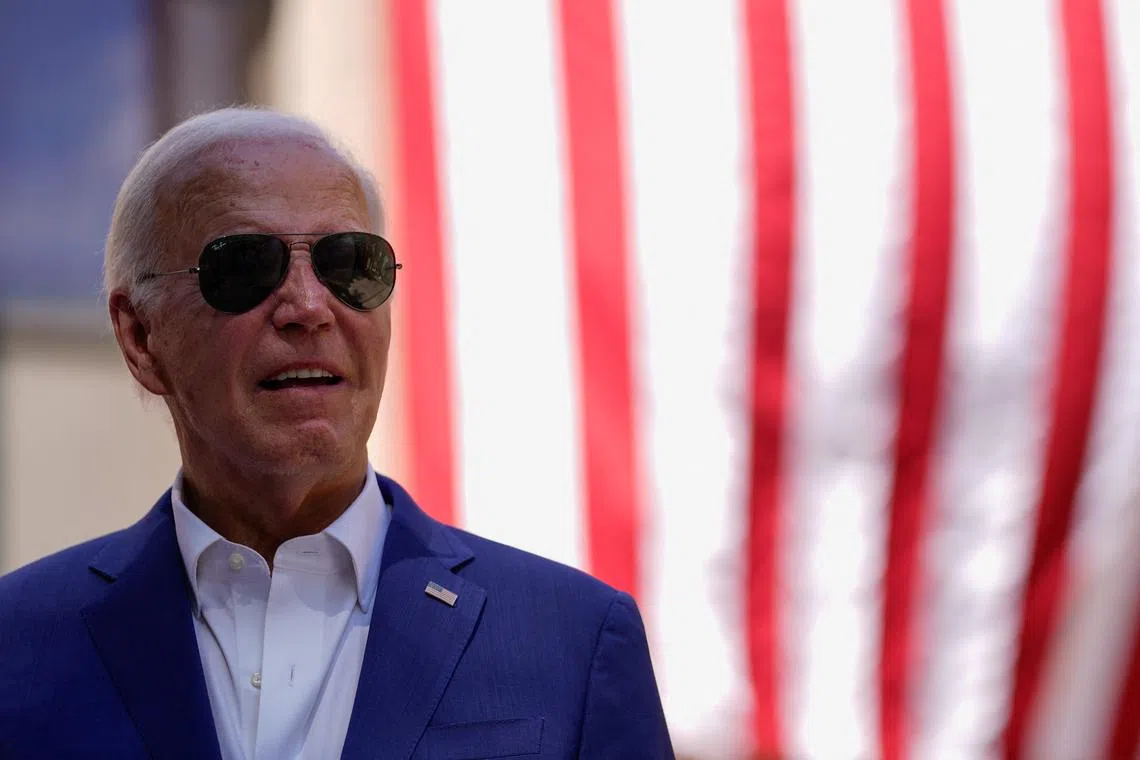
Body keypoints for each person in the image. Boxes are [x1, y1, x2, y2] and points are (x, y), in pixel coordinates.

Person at [0, 107, 673, 759]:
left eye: (350, 264)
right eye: (245, 266)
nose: (309, 306)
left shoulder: (571, 643)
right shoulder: (19, 646)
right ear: (141, 336)